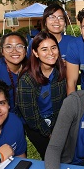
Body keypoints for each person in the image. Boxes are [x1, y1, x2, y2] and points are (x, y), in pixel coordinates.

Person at [16, 31, 67, 160]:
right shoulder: (26, 79)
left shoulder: (60, 73)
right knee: (50, 157)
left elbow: (62, 103)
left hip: (56, 121)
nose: (50, 53)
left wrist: (58, 129)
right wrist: (49, 134)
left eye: (53, 48)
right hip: (36, 126)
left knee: (65, 155)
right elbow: (31, 116)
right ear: (35, 53)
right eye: (44, 49)